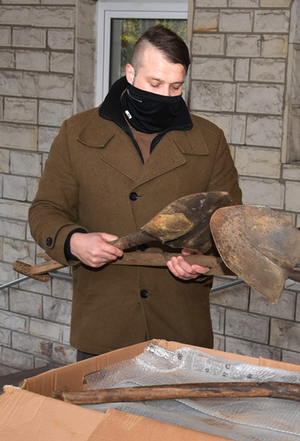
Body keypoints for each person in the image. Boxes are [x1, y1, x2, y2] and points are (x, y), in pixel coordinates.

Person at [28, 26, 242, 360]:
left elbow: (229, 223)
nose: (166, 95)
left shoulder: (209, 140)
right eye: (155, 84)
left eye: (176, 86)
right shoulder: (78, 133)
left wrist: (200, 257)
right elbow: (46, 209)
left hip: (181, 326)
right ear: (130, 73)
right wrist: (74, 242)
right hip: (105, 322)